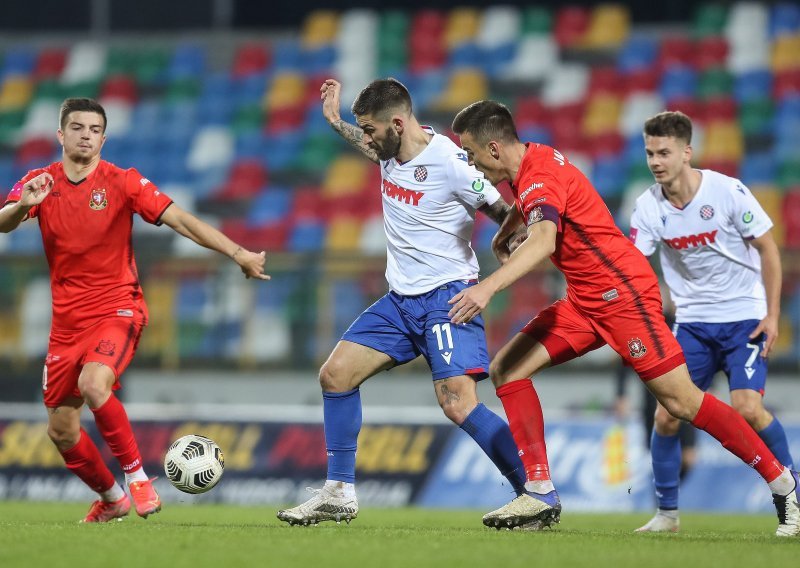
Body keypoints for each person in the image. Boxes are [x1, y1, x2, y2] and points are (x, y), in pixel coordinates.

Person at [446, 99, 800, 537]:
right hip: (584, 301)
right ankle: (539, 491)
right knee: (507, 369)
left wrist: (487, 286)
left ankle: (783, 484)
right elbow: (536, 202)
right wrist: (504, 231)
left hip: (623, 297)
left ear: (495, 148)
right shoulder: (535, 160)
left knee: (682, 402)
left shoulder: (537, 174)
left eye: (473, 154)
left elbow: (541, 241)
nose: (472, 164)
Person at [0, 98, 269, 523]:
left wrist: (238, 253)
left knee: (94, 383)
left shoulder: (123, 182)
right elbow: (3, 221)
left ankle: (138, 479)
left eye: (93, 129)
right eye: (77, 127)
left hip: (118, 308)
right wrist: (20, 205)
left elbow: (180, 219)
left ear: (104, 138)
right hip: (66, 325)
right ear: (60, 135)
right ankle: (112, 499)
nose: (85, 134)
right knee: (62, 431)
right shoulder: (39, 182)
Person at [276, 78, 528, 526]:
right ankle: (338, 492)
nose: (368, 141)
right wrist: (335, 123)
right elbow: (369, 146)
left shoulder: (452, 162)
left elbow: (502, 208)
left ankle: (532, 491)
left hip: (448, 297)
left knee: (457, 402)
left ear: (397, 122)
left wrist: (510, 242)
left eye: (371, 130)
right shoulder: (389, 151)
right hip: (400, 301)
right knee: (335, 376)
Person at [629, 110, 794, 533]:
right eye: (649, 152)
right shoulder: (647, 207)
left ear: (687, 152)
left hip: (744, 319)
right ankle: (667, 514)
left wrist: (772, 314)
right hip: (693, 324)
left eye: (664, 152)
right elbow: (634, 266)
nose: (655, 161)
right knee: (667, 416)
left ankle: (791, 497)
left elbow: (768, 250)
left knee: (748, 408)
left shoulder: (727, 192)